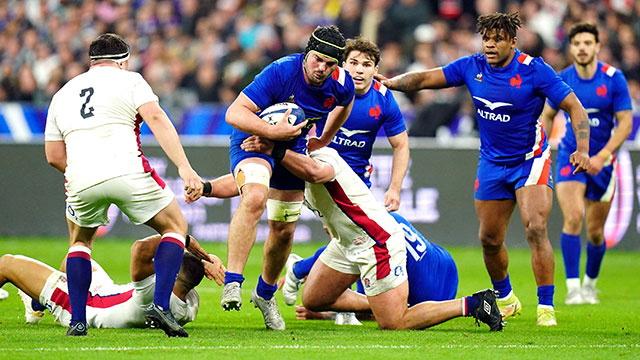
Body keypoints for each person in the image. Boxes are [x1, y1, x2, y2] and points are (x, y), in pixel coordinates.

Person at [376, 12, 591, 326]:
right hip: (491, 162)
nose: (490, 45)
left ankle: (545, 306)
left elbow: (575, 107)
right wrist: (391, 83)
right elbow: (424, 80)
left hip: (529, 159)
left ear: (512, 42)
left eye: (497, 39)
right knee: (489, 239)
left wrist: (582, 148)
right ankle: (506, 298)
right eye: (486, 39)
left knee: (535, 227)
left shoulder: (535, 71)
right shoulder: (471, 66)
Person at [238, 136, 504, 331]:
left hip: (376, 239)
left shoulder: (320, 155)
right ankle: (381, 303)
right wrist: (204, 187)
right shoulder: (287, 163)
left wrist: (276, 149)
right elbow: (247, 182)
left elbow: (316, 172)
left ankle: (475, 304)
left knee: (394, 323)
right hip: (347, 242)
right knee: (314, 298)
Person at [44, 33, 203, 337]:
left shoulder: (62, 93)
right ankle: (159, 305)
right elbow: (155, 116)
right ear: (123, 61)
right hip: (127, 169)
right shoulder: (130, 80)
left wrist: (86, 169)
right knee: (175, 227)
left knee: (80, 243)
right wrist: (184, 168)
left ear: (92, 61)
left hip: (80, 177)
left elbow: (53, 155)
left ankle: (78, 321)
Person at [206, 25, 355, 331]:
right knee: (256, 196)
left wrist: (326, 137)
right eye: (317, 60)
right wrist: (271, 134)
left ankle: (265, 294)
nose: (322, 69)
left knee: (284, 230)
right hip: (253, 140)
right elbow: (234, 113)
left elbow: (346, 103)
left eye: (330, 64)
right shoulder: (281, 71)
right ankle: (233, 281)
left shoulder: (341, 82)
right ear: (306, 54)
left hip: (290, 145)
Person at [540, 23, 632, 305]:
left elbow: (625, 123)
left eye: (587, 43)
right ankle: (572, 288)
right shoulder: (562, 79)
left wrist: (602, 156)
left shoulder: (614, 79)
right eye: (577, 43)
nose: (582, 48)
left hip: (602, 162)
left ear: (597, 47)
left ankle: (590, 284)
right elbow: (547, 114)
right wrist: (543, 147)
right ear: (571, 48)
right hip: (570, 155)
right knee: (573, 217)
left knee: (594, 232)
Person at [0, 234, 225, 329]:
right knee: (73, 261)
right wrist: (203, 262)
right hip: (109, 293)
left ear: (173, 274)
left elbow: (139, 249)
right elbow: (189, 272)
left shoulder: (153, 292)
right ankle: (37, 303)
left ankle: (46, 300)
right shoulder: (189, 303)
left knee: (7, 263)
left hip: (83, 305)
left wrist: (181, 237)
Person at [281, 211, 458, 323]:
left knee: (349, 250)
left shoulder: (365, 239)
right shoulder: (386, 216)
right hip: (448, 269)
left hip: (425, 303)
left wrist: (328, 312)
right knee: (349, 251)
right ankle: (299, 268)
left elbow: (372, 311)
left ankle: (297, 268)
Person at [321, 36, 409, 210]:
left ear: (375, 70)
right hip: (318, 168)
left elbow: (401, 145)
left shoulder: (383, 99)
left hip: (356, 178)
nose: (359, 70)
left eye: (366, 65)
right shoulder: (325, 85)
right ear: (343, 65)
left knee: (358, 234)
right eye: (354, 63)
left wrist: (394, 189)